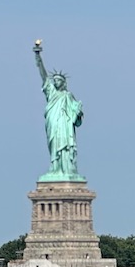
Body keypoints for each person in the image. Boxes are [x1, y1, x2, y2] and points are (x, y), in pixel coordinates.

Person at [33, 40, 84, 179]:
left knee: (66, 146)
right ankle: (55, 168)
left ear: (63, 82)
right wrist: (38, 58)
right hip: (53, 122)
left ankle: (67, 170)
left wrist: (78, 113)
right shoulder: (51, 93)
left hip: (65, 124)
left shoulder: (68, 96)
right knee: (54, 143)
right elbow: (43, 76)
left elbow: (77, 117)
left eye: (58, 80)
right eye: (54, 80)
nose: (55, 82)